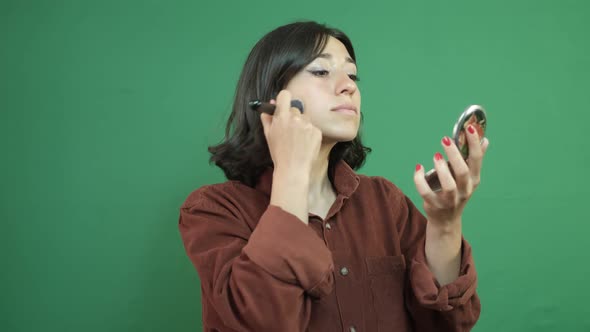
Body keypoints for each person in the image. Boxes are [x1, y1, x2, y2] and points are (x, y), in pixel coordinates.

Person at [178, 21, 489, 332]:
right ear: (272, 97)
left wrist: (445, 224)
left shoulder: (385, 201)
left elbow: (446, 325)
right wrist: (292, 172)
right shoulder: (213, 210)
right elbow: (263, 322)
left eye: (352, 75)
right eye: (321, 71)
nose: (348, 86)